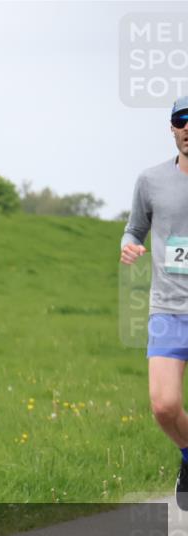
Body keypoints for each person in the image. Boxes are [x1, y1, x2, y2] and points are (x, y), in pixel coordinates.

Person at [120, 95, 188, 510]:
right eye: (182, 119)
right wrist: (129, 246)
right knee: (164, 406)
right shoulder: (151, 180)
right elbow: (134, 230)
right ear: (172, 128)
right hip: (168, 310)